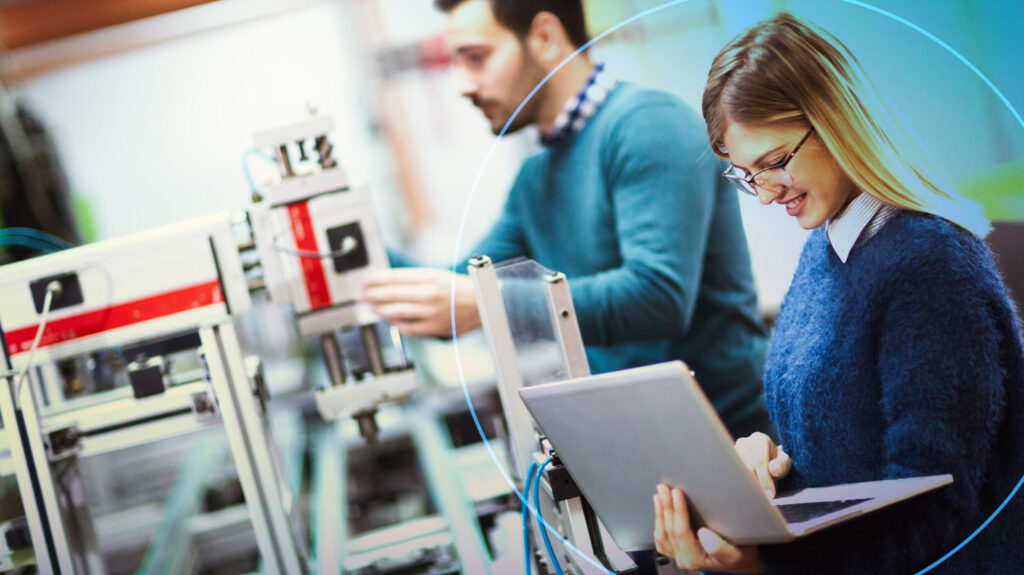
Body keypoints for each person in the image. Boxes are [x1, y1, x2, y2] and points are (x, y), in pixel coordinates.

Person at [652, 13, 1024, 574]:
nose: (767, 193)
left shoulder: (929, 264)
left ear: (835, 122)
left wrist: (768, 565)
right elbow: (846, 454)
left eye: (775, 162)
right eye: (746, 175)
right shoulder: (826, 251)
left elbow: (933, 504)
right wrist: (772, 470)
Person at [360, 0, 774, 440]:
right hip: (645, 446)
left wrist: (487, 304)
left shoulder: (647, 124)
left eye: (477, 58)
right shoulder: (535, 180)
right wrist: (347, 241)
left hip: (742, 445)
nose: (462, 85)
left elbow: (657, 297)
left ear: (545, 37)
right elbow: (456, 289)